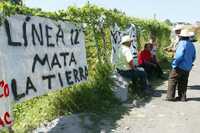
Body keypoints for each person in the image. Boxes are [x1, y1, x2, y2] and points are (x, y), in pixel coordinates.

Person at [166, 29, 196, 102]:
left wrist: (175, 63)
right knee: (183, 82)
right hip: (187, 67)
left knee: (172, 79)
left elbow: (179, 55)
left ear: (181, 36)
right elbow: (194, 56)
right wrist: (189, 63)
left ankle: (170, 97)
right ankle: (182, 97)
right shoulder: (191, 44)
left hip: (179, 66)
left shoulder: (182, 43)